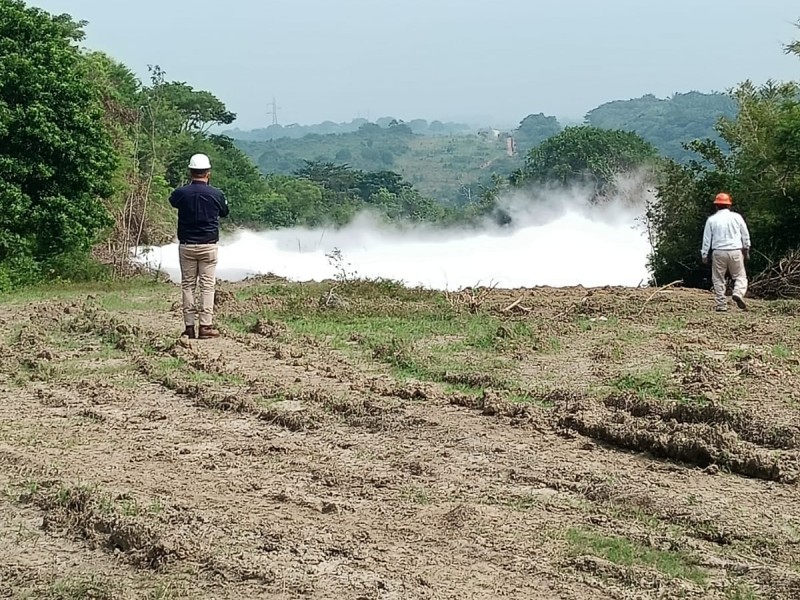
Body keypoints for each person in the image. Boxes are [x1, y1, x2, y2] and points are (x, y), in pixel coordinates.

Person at [169, 153, 230, 339]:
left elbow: (173, 202)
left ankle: (189, 327)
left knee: (188, 285)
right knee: (207, 286)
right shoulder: (217, 194)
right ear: (208, 173)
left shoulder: (181, 193)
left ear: (190, 172)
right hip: (208, 245)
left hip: (187, 245)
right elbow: (225, 213)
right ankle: (205, 326)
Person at [701, 192, 751, 312]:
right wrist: (746, 248)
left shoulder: (711, 220)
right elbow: (745, 234)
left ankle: (721, 305)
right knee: (740, 276)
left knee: (718, 278)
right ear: (729, 205)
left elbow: (706, 239)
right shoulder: (737, 217)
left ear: (716, 206)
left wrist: (704, 254)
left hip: (718, 252)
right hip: (735, 251)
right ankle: (738, 292)